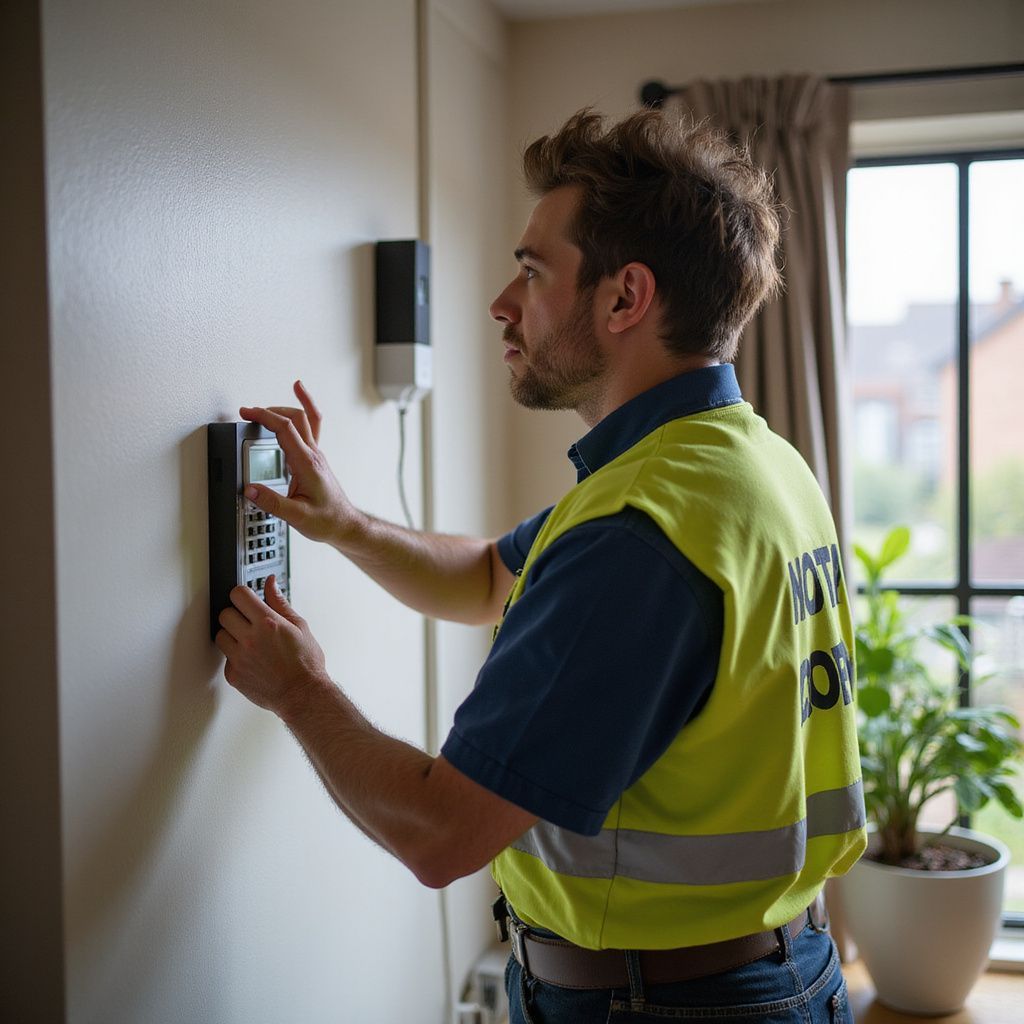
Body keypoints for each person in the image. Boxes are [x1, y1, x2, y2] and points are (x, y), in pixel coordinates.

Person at [216, 109, 866, 1023]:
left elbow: (442, 834)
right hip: (770, 974)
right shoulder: (746, 464)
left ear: (623, 297)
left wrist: (298, 687)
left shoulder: (638, 536)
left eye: (531, 270)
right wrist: (345, 523)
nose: (501, 303)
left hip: (669, 1006)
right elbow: (488, 575)